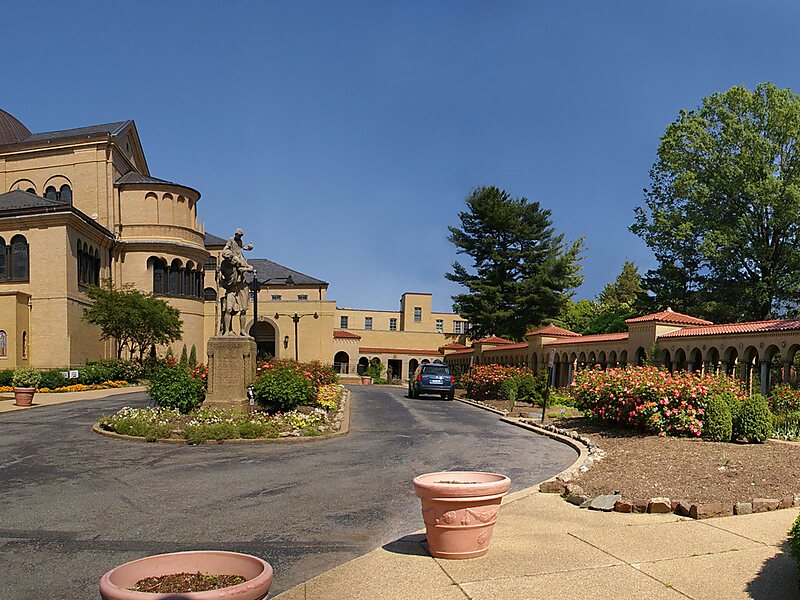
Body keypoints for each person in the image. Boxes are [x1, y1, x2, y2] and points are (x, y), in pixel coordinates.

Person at [218, 228, 254, 335]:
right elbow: (222, 279)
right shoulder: (225, 266)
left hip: (242, 287)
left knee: (243, 310)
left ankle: (242, 330)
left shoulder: (240, 261)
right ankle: (227, 331)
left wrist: (244, 269)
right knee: (228, 309)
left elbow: (251, 268)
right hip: (231, 288)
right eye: (228, 259)